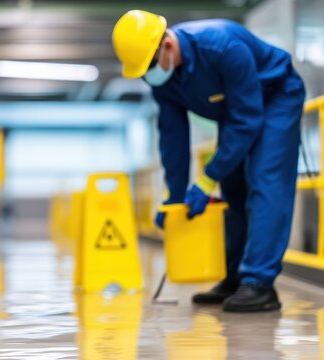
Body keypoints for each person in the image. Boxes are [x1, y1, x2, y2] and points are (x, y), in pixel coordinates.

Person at [112, 10, 305, 312]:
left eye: (150, 66)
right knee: (233, 189)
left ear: (167, 44)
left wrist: (205, 179)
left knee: (265, 180)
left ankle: (259, 284)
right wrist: (173, 198)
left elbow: (248, 121)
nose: (150, 75)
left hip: (275, 97)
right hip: (237, 110)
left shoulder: (221, 47)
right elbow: (172, 137)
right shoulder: (163, 79)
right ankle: (233, 278)